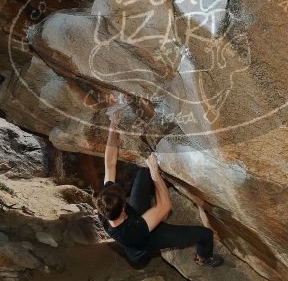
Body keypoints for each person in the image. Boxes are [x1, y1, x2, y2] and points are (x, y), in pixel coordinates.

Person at [95, 108, 223, 267]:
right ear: (122, 208)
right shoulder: (132, 233)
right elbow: (165, 207)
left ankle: (155, 177)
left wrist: (112, 127)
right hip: (147, 238)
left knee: (144, 171)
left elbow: (109, 164)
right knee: (205, 234)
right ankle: (204, 259)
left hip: (135, 218)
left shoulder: (105, 205)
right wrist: (155, 174)